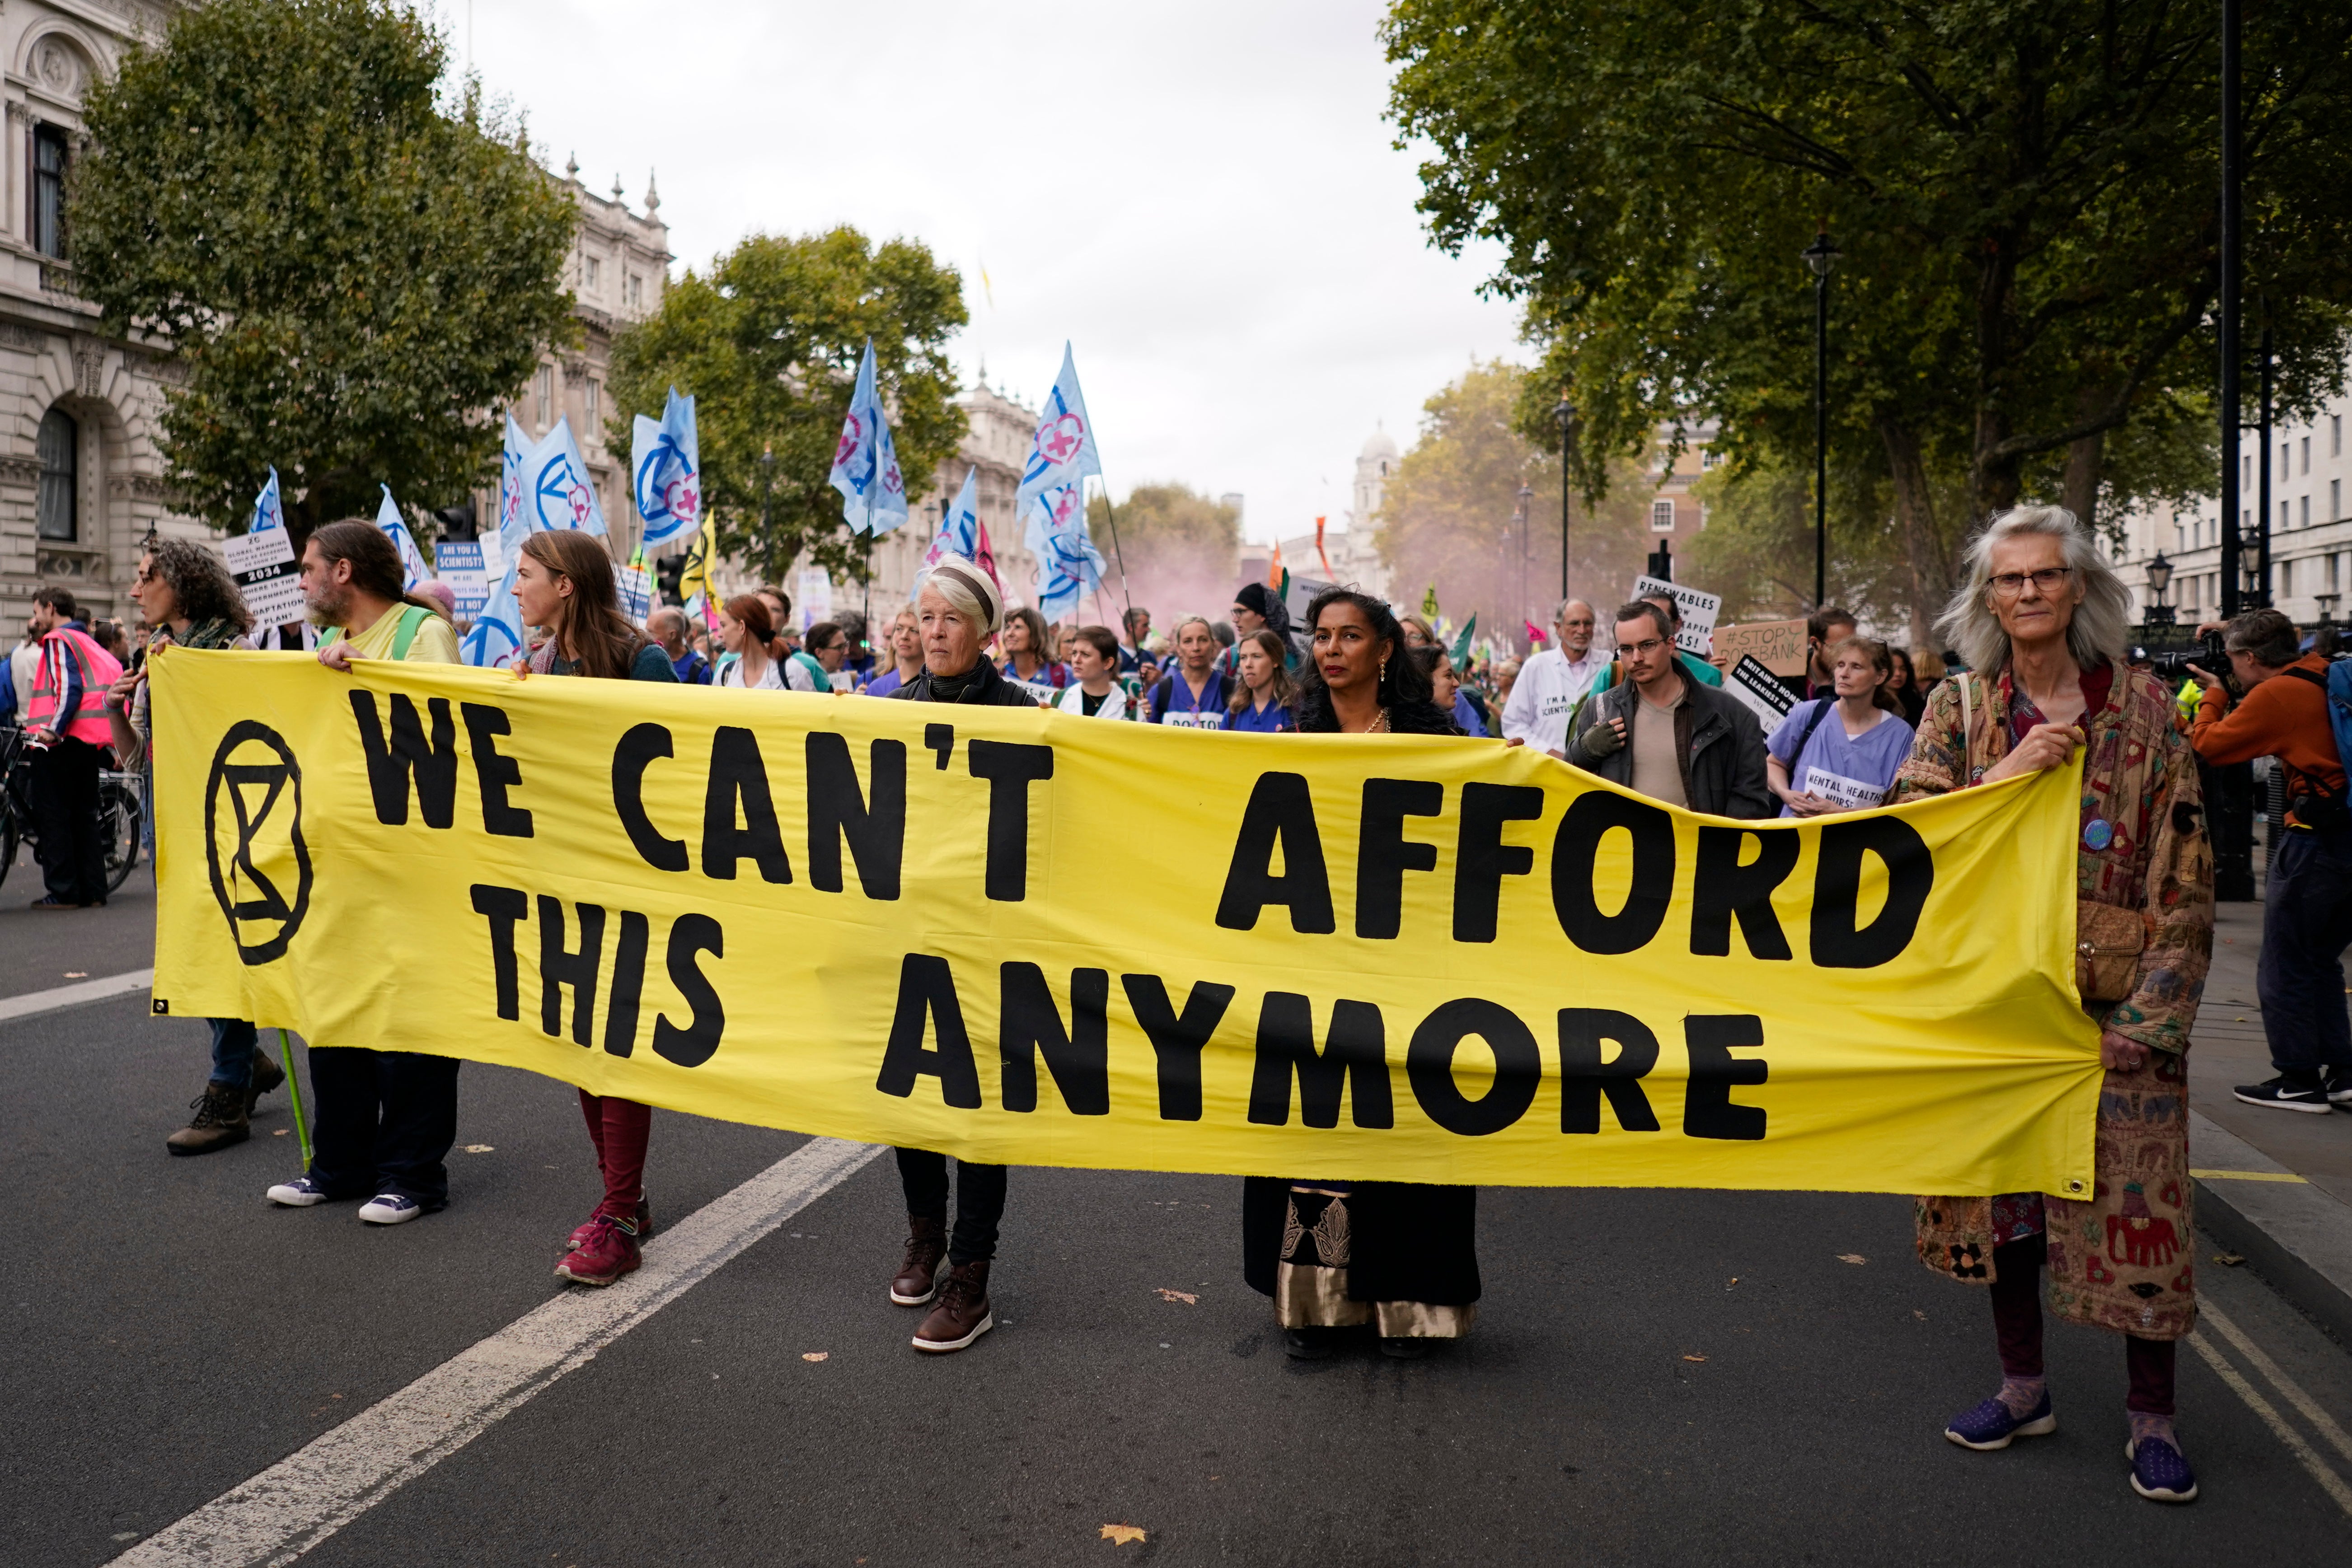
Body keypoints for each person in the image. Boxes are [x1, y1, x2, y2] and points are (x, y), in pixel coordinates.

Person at [1888, 503, 2211, 1505]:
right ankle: (2022, 1389)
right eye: (2006, 579)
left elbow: (2185, 872)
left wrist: (2148, 1022)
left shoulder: (2148, 708)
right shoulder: (1957, 707)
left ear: (2078, 588)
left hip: (2112, 1014)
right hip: (1994, 1008)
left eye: (2044, 575)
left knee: (2137, 1219)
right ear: (1985, 598)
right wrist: (1997, 775)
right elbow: (1908, 837)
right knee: (2006, 1213)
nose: (2026, 592)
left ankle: (2150, 1421)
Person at [1245, 587, 1479, 1361]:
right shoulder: (1294, 735)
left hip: (1408, 965)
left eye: (1350, 636)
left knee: (1403, 1126)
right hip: (1313, 963)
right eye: (1322, 636)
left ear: (1385, 650)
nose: (1332, 648)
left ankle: (1411, 1302)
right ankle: (1322, 1307)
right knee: (1322, 1129)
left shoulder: (1432, 739)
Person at [266, 520, 463, 1226]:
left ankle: (413, 1173)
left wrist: (369, 683)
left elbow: (445, 734)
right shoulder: (323, 644)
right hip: (339, 865)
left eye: (308, 567)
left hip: (410, 867)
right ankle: (339, 1163)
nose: (303, 580)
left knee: (408, 1017)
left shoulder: (420, 632)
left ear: (343, 571)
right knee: (336, 1008)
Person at [506, 531, 681, 1286]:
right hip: (563, 880)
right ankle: (624, 1197)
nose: (515, 589)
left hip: (630, 883)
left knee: (615, 1045)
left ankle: (616, 1212)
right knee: (583, 1042)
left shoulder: (643, 661)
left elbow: (682, 769)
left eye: (525, 577)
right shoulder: (538, 661)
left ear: (566, 585)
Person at [885, 556, 1035, 1353]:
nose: (932, 631)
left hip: (989, 940)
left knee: (978, 1108)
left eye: (949, 619)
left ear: (983, 632)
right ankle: (924, 1238)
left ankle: (972, 1274)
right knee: (909, 1093)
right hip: (913, 933)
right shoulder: (892, 709)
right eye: (925, 616)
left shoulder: (1025, 714)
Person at [109, 542, 277, 1155]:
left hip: (223, 819)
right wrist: (113, 706)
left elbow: (258, 731)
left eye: (146, 577)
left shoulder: (229, 650)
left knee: (216, 945)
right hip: (168, 815)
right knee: (194, 940)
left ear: (182, 585)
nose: (135, 590)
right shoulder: (153, 653)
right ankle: (249, 1058)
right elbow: (133, 754)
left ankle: (229, 1088)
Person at [2185, 608, 2351, 1112]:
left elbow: (2209, 745)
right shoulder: (2323, 672)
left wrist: (2213, 694)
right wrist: (2227, 630)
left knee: (2284, 964)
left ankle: (2298, 1078)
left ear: (2252, 658)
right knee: (2320, 960)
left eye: (2234, 660)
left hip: (2314, 847)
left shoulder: (2277, 694)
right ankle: (2342, 1072)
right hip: (2347, 837)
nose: (2232, 669)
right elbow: (2274, 624)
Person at [1565, 601, 1771, 817]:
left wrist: (1716, 846)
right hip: (1622, 847)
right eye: (1626, 649)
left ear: (1671, 644)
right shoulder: (1599, 709)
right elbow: (1569, 787)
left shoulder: (1732, 715)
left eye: (1647, 645)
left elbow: (1751, 804)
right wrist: (1583, 751)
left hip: (1697, 847)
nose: (1636, 658)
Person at [23, 586, 123, 909]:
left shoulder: (59, 640)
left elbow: (70, 689)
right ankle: (93, 890)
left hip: (61, 742)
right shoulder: (86, 640)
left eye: (38, 611)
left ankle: (64, 891)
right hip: (86, 742)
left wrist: (53, 730)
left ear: (51, 608)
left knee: (54, 816)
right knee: (84, 816)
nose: (35, 618)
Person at [1765, 636, 1914, 816]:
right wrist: (1786, 793)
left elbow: (1902, 804)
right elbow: (1774, 763)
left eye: (1856, 667)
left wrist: (1840, 813)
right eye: (1840, 665)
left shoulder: (1900, 735)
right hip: (1795, 839)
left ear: (1880, 676)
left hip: (1854, 843)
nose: (1844, 674)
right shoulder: (1809, 714)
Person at [1146, 615, 1230, 727]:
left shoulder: (1231, 690)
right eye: (1188, 641)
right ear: (1178, 649)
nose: (1196, 648)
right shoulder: (1162, 692)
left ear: (1213, 645)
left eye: (1203, 640)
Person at [1223, 628, 1297, 732]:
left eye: (1256, 656)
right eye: (1243, 658)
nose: (1248, 664)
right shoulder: (1234, 713)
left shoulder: (1296, 710)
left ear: (1275, 660)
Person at [1054, 624, 1131, 718]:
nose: (1076, 660)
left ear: (1108, 663)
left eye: (1085, 655)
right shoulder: (1057, 699)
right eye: (1074, 653)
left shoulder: (1131, 709)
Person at [999, 605, 1069, 703]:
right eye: (1008, 627)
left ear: (1036, 634)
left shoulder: (1064, 673)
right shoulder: (999, 674)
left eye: (1018, 627)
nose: (1010, 633)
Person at [717, 596, 786, 690]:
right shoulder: (725, 673)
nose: (720, 634)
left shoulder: (791, 673)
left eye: (723, 625)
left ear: (742, 627)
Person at [1420, 646, 1487, 737]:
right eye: (1448, 676)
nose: (1457, 684)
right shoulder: (1398, 730)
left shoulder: (1451, 728)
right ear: (1422, 679)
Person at [865, 608, 924, 697]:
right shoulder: (877, 688)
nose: (904, 636)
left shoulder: (937, 688)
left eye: (914, 631)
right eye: (899, 629)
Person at [1804, 605, 1860, 698]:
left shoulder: (1859, 683)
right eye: (1837, 648)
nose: (1845, 655)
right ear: (1815, 644)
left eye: (1851, 647)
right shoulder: (1789, 677)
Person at [650, 606, 712, 685]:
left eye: (651, 633)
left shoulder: (700, 669)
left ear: (673, 635)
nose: (647, 637)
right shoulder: (648, 663)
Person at [791, 620, 848, 691]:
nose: (846, 652)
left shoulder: (845, 677)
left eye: (846, 645)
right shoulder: (805, 675)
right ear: (819, 653)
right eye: (839, 648)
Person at [1883, 646, 1928, 725]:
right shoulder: (1873, 704)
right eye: (1893, 669)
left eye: (1903, 669)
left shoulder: (1916, 704)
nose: (1898, 674)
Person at [1118, 605, 1153, 675]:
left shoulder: (1150, 656)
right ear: (1130, 627)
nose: (1149, 630)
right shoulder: (1115, 656)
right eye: (1145, 626)